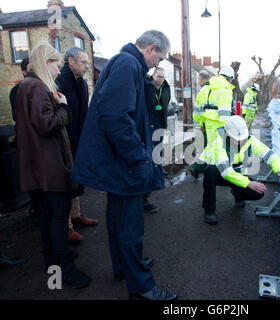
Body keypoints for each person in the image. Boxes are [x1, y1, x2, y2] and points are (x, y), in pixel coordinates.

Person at [71, 30, 177, 300]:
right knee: (130, 225)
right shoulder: (128, 64)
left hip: (117, 161)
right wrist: (138, 157)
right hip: (125, 162)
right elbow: (116, 116)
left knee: (118, 218)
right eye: (159, 58)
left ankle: (124, 266)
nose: (157, 65)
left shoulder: (124, 63)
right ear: (151, 48)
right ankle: (141, 286)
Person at [14, 41, 91, 288]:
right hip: (50, 168)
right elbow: (47, 124)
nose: (58, 71)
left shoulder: (27, 86)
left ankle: (52, 260)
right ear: (45, 63)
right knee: (58, 218)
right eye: (56, 65)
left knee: (48, 217)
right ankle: (64, 269)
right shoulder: (37, 87)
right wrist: (64, 107)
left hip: (39, 168)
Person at [194, 115, 280, 224]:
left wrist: (279, 168)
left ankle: (238, 194)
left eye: (242, 138)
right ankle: (209, 210)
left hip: (238, 173)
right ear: (227, 135)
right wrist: (248, 183)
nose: (240, 141)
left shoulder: (250, 140)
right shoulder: (219, 143)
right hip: (220, 174)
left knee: (257, 193)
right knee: (210, 171)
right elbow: (226, 172)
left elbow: (270, 155)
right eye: (237, 139)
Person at [56, 47, 98, 243]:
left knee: (76, 180)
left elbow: (84, 111)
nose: (86, 66)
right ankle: (67, 227)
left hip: (79, 139)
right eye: (83, 62)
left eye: (87, 63)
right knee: (66, 183)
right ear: (70, 61)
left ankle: (76, 215)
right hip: (65, 141)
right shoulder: (60, 81)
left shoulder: (81, 82)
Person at [9, 58, 42, 219]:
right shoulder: (18, 90)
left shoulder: (38, 88)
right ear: (23, 71)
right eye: (29, 69)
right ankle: (35, 207)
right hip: (28, 139)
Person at [143, 67, 171, 214]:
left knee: (157, 152)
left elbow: (166, 103)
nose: (160, 79)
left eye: (162, 77)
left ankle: (158, 171)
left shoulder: (166, 87)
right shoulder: (147, 86)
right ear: (153, 76)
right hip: (147, 125)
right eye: (158, 76)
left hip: (160, 124)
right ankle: (143, 197)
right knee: (148, 158)